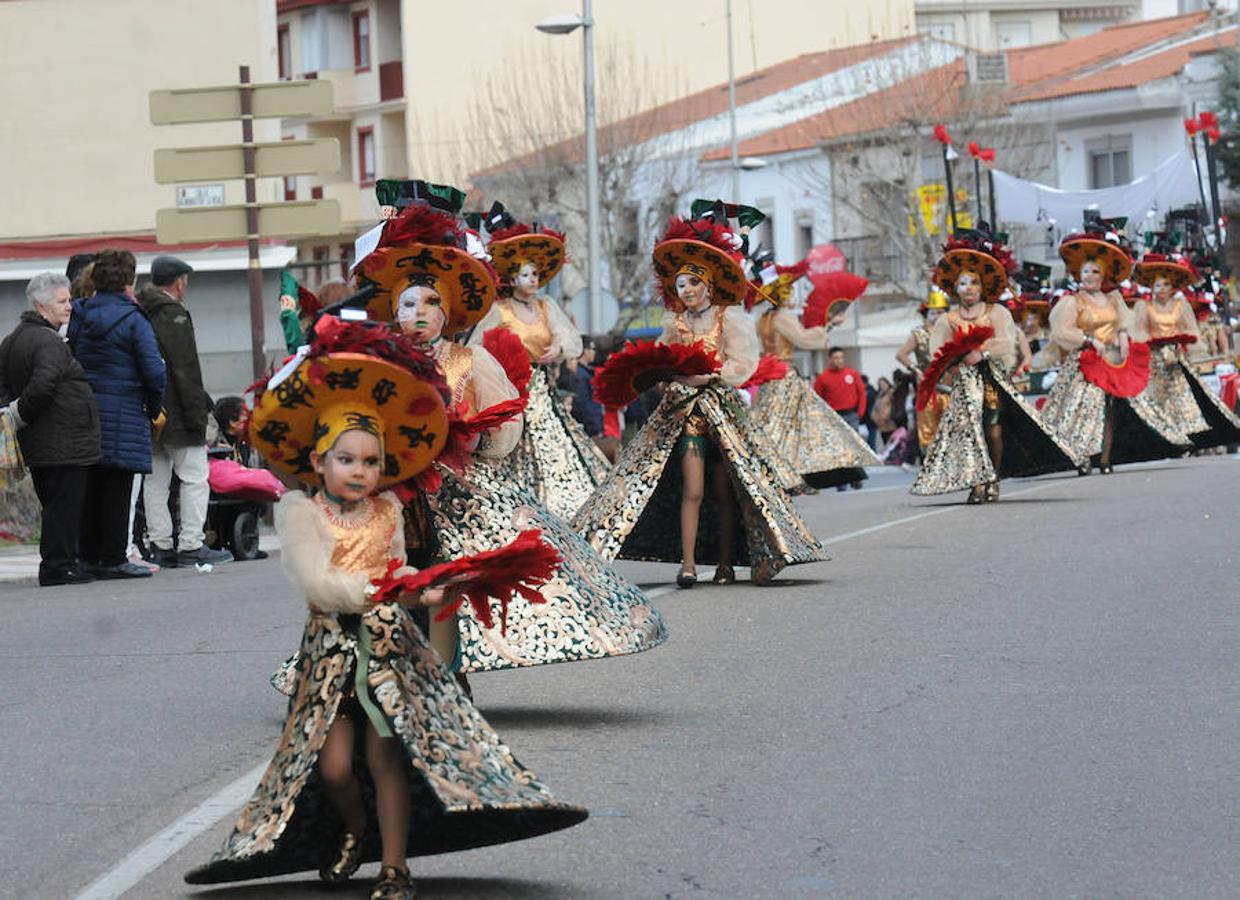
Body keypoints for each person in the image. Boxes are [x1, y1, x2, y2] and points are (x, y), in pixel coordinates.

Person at [185, 327, 586, 898]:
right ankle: (354, 828)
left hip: (389, 652)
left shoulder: (388, 510)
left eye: (371, 462)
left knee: (388, 758)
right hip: (329, 658)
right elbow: (319, 585)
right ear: (320, 460)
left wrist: (430, 593)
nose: (359, 471)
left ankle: (394, 866)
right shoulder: (300, 513)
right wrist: (382, 590)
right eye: (347, 459)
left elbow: (397, 574)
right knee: (333, 768)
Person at [345, 197, 665, 680]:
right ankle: (391, 669)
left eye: (432, 302)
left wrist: (471, 440)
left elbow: (501, 433)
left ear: (448, 311)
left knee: (450, 581)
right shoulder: (382, 365)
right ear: (393, 308)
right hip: (393, 489)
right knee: (391, 577)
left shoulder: (469, 360)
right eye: (409, 303)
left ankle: (444, 676)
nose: (421, 312)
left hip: (459, 495)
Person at [573, 209, 827, 587]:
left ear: (709, 284)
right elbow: (660, 359)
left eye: (693, 282)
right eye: (679, 285)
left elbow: (743, 362)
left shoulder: (730, 319)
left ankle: (725, 563)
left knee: (728, 490)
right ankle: (688, 564)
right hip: (682, 415)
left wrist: (713, 374)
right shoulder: (674, 325)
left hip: (722, 413)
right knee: (692, 489)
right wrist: (665, 376)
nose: (686, 291)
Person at [910, 229, 1079, 503]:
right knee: (969, 431)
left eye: (973, 283)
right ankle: (977, 482)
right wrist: (954, 359)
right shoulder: (947, 320)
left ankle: (993, 478)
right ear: (955, 286)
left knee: (994, 429)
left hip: (992, 380)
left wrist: (982, 352)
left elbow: (1005, 341)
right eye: (963, 283)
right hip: (964, 384)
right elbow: (936, 351)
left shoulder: (996, 313)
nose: (968, 289)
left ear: (982, 286)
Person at [468, 203, 610, 520]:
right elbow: (477, 349)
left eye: (534, 274)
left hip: (544, 398)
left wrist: (557, 348)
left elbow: (571, 339)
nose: (532, 280)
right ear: (511, 277)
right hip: (512, 394)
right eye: (524, 274)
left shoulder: (546, 307)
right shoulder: (499, 310)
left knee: (557, 458)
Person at [1039, 220, 1192, 474]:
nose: (1089, 277)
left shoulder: (1113, 299)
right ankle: (1083, 456)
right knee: (1085, 408)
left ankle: (1106, 459)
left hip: (1111, 359)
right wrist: (1088, 339)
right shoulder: (1072, 302)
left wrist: (1122, 339)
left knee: (1113, 410)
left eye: (1095, 272)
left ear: (1104, 276)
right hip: (1084, 362)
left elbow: (1125, 323)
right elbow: (1063, 331)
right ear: (1078, 273)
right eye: (1086, 272)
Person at [68, 249, 165, 579]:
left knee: (91, 483)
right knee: (118, 485)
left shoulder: (79, 313)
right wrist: (153, 408)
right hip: (124, 408)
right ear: (129, 278)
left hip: (85, 409)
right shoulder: (134, 319)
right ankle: (112, 558)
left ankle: (88, 557)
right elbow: (153, 370)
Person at [0, 272, 101, 585]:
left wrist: (14, 415)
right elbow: (43, 385)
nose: (69, 307)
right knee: (64, 505)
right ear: (41, 307)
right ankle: (60, 566)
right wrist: (19, 415)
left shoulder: (14, 338)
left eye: (68, 300)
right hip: (63, 440)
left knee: (56, 503)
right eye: (62, 301)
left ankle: (61, 563)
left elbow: (4, 387)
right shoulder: (47, 340)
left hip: (44, 440)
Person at [748, 261, 879, 488]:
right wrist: (827, 325)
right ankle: (808, 473)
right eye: (788, 292)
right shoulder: (783, 317)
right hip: (784, 375)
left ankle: (777, 472)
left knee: (771, 426)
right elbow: (805, 340)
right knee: (805, 424)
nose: (792, 297)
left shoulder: (762, 320)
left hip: (767, 376)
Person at [137, 256, 232, 568]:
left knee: (156, 481)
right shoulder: (172, 314)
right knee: (194, 477)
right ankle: (192, 543)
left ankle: (161, 545)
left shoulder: (141, 311)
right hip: (178, 409)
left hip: (151, 410)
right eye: (185, 280)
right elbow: (185, 369)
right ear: (178, 282)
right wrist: (198, 413)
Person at [1130, 249, 1240, 449]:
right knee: (1157, 398)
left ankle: (1191, 437)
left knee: (1184, 396)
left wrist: (1180, 342)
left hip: (1177, 357)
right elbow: (1138, 334)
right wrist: (1155, 341)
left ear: (1172, 287)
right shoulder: (1143, 307)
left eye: (1166, 284)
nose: (1161, 289)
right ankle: (1164, 438)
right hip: (1154, 359)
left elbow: (1190, 331)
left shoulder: (1181, 306)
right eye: (1158, 284)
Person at [897, 289, 949, 451]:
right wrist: (917, 371)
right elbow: (901, 355)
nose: (938, 315)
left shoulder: (952, 331)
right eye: (935, 312)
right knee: (928, 429)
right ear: (928, 313)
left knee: (953, 428)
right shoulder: (919, 333)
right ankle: (930, 465)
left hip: (950, 387)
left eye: (942, 312)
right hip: (929, 389)